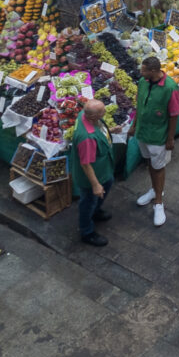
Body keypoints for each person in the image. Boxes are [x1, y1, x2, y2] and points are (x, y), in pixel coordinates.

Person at [132, 56, 179, 226]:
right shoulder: (143, 82)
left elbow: (174, 115)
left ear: (153, 71)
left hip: (158, 135)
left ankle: (159, 202)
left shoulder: (170, 88)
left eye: (143, 70)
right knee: (150, 163)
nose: (141, 72)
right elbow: (140, 105)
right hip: (143, 132)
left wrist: (170, 138)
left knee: (158, 167)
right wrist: (133, 126)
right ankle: (154, 190)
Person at [70, 99, 115, 247]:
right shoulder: (87, 138)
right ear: (93, 117)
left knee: (108, 183)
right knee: (88, 201)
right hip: (93, 175)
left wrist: (112, 131)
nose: (105, 112)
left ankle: (96, 211)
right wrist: (95, 184)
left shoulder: (84, 115)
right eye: (103, 112)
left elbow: (99, 131)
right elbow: (86, 163)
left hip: (103, 168)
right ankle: (87, 232)